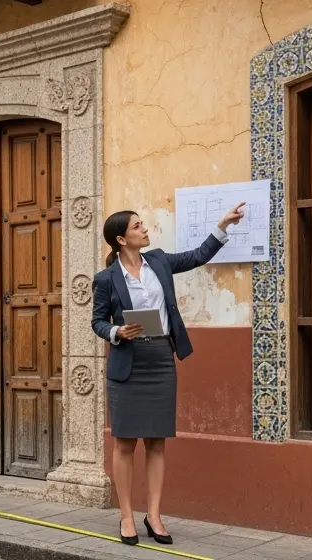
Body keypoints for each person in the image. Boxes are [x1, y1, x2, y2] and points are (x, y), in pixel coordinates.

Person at [92, 204, 245, 546]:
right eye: (137, 226)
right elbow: (97, 321)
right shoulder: (105, 279)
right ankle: (126, 516)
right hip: (127, 361)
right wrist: (117, 332)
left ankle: (155, 515)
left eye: (143, 224)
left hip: (160, 357)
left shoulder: (159, 260)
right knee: (124, 442)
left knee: (157, 441)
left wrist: (222, 225)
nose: (144, 229)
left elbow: (197, 256)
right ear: (121, 239)